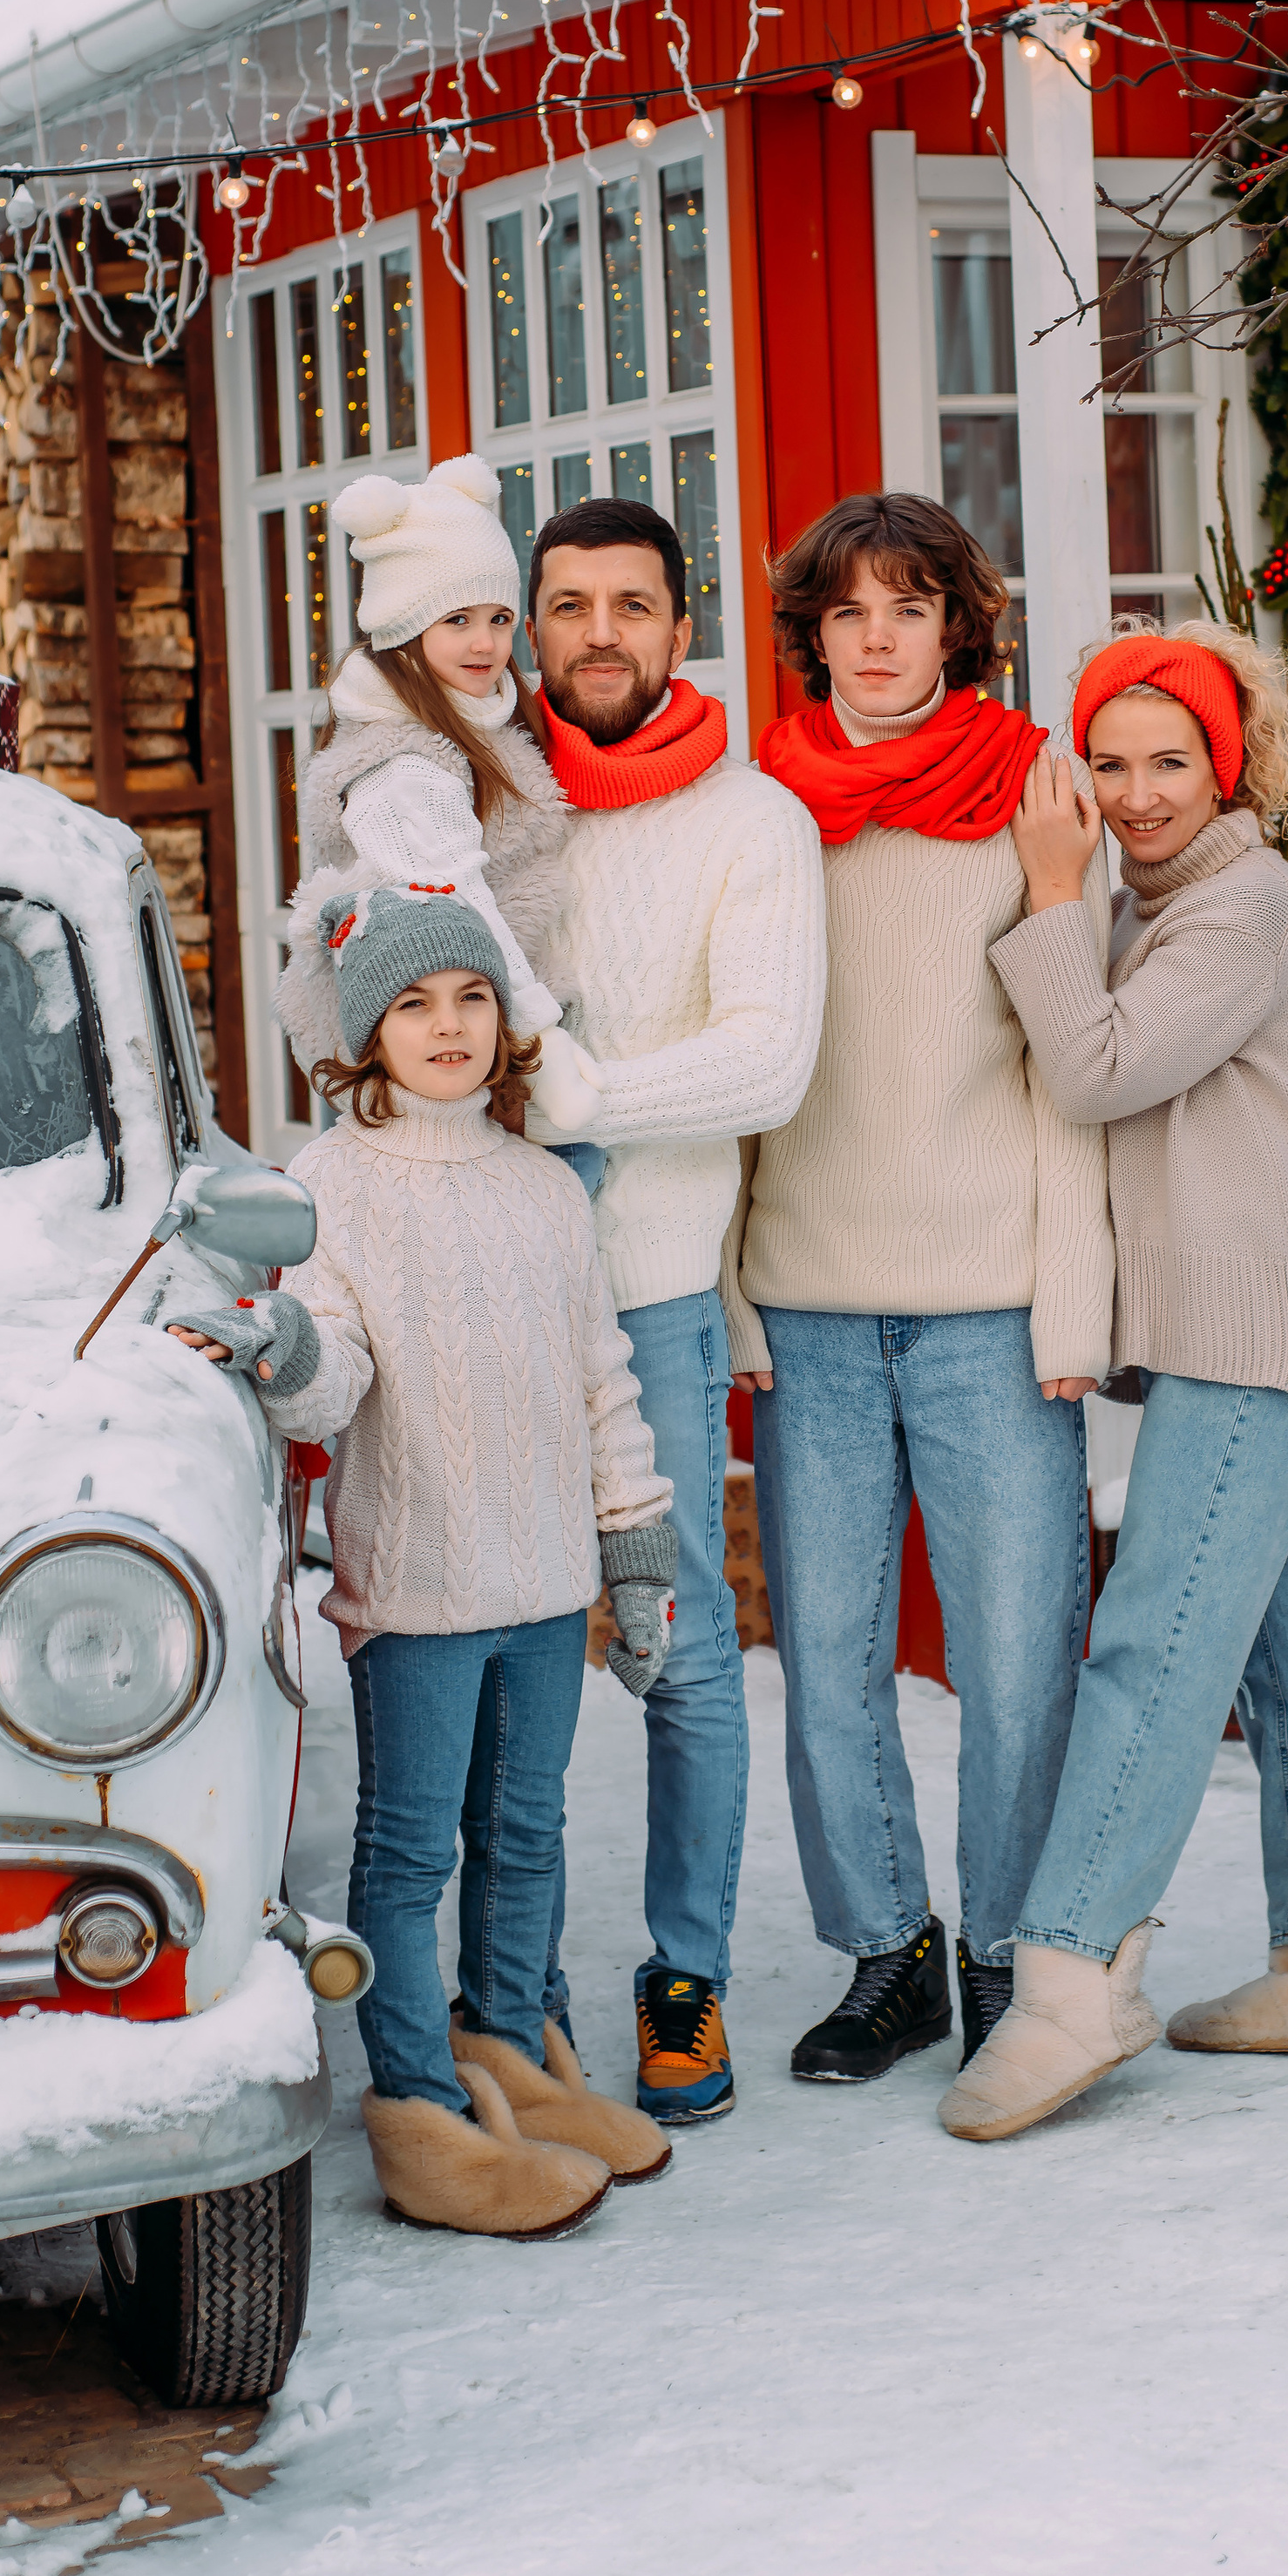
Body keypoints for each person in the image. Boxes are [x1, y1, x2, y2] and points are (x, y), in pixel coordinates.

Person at [163, 886, 679, 2236]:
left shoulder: (547, 1190)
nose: (448, 1025)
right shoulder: (332, 1185)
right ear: (365, 1033)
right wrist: (278, 1341)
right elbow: (332, 1374)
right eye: (412, 1003)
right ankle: (422, 2108)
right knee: (408, 1855)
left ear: (503, 1020)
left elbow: (602, 1379)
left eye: (471, 997)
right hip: (422, 1589)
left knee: (526, 1836)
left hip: (546, 1583)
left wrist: (634, 1543)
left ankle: (512, 2053)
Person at [939, 624, 1288, 2146]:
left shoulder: (1242, 904)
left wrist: (1047, 891)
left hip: (1249, 1332)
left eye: (1170, 762)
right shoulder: (1168, 897)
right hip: (1249, 1324)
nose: (1137, 792)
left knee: (1153, 1642)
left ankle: (1075, 1979)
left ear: (1227, 765)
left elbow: (1097, 1069)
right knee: (1287, 1644)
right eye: (1111, 761)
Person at [723, 491, 1114, 2084]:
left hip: (990, 1303)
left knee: (1018, 1657)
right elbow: (739, 1061)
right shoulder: (759, 805)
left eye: (910, 607)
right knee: (827, 1658)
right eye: (848, 612)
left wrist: (1073, 1295)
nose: (877, 639)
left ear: (959, 624)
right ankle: (888, 1953)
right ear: (812, 634)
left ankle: (1010, 1953)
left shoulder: (1033, 791)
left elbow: (1068, 1062)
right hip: (808, 1298)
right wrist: (733, 1276)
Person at [524, 496, 828, 2124]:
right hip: (489, 1298)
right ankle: (512, 1991)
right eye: (568, 603)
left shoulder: (751, 819)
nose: (599, 633)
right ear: (531, 624)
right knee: (494, 1645)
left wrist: (583, 1094)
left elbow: (767, 1058)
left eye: (629, 604)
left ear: (680, 624)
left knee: (682, 1645)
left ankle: (684, 1974)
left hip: (650, 1297)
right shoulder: (487, 801)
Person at [278, 453, 600, 1151]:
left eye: (499, 617)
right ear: (403, 626)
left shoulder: (476, 721)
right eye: (456, 619)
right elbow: (459, 904)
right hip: (460, 1068)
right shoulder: (401, 769)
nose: (486, 643)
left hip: (494, 1051)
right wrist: (542, 1050)